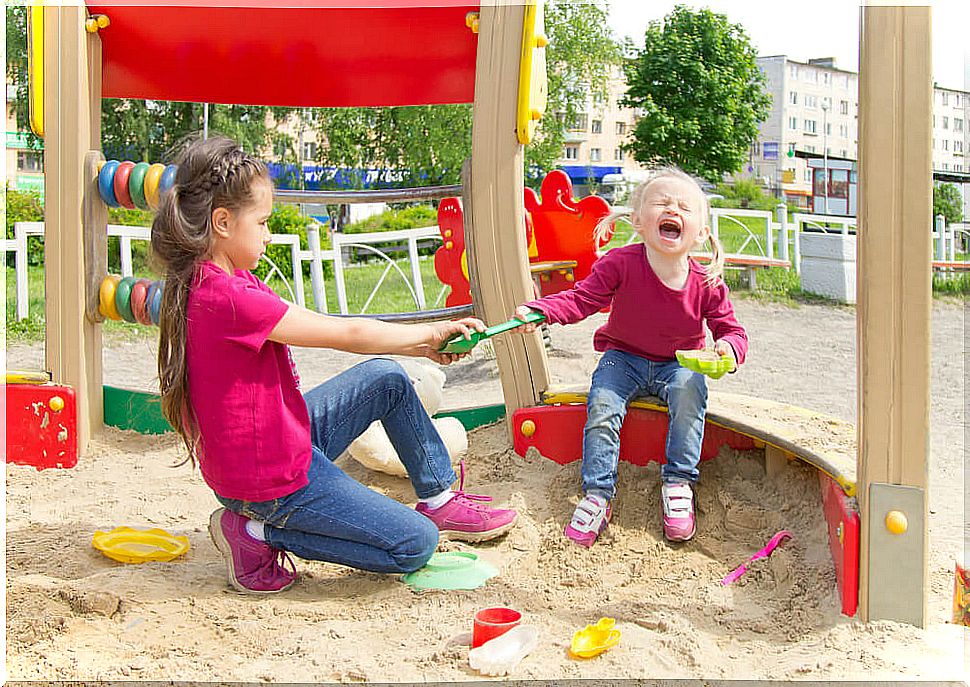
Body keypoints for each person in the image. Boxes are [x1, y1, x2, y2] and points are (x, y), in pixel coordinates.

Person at [151, 136, 517, 594]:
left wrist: (422, 348)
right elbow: (345, 334)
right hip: (268, 481)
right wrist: (427, 337)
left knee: (387, 379)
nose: (268, 234)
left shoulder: (223, 279)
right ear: (222, 222)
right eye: (262, 223)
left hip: (278, 441)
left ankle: (439, 496)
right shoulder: (227, 298)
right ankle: (254, 532)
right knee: (415, 545)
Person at [513, 166, 747, 547]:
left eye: (685, 207)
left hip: (680, 363)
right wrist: (543, 311)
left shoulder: (706, 282)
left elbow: (731, 330)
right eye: (661, 203)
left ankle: (678, 484)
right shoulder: (621, 263)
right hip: (623, 357)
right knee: (602, 403)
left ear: (701, 232)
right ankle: (597, 494)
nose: (673, 208)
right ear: (638, 221)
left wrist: (728, 350)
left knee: (691, 394)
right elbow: (582, 298)